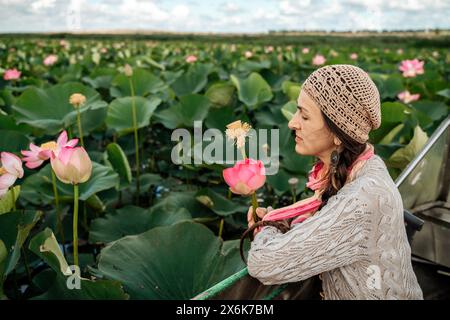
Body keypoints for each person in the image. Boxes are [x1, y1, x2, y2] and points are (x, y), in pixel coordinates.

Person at [245, 64, 423, 300]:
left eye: (305, 115)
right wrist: (282, 227)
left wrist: (264, 229)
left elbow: (263, 264)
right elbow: (330, 230)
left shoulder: (361, 200)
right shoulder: (368, 167)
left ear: (338, 132)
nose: (292, 123)